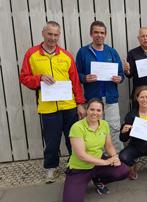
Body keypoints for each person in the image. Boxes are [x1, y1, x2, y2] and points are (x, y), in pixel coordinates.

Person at [19, 21, 86, 183]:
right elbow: (24, 78)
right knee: (51, 140)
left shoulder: (66, 55)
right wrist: (39, 78)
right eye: (50, 34)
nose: (53, 38)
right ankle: (51, 168)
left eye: (56, 35)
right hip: (48, 107)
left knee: (73, 138)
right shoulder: (32, 54)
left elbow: (75, 81)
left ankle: (75, 164)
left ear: (59, 35)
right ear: (43, 33)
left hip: (69, 105)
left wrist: (80, 103)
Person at [62, 98, 129, 202]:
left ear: (102, 112)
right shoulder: (77, 127)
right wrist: (106, 162)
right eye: (92, 109)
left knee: (123, 171)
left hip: (98, 163)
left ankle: (98, 180)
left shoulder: (104, 124)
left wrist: (115, 157)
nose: (95, 113)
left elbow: (109, 146)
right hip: (80, 168)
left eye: (98, 110)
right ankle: (82, 181)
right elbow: (81, 155)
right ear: (86, 110)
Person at [76, 21, 125, 152]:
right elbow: (76, 75)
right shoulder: (83, 52)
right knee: (95, 129)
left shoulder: (112, 52)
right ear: (91, 34)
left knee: (114, 129)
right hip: (93, 100)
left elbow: (121, 74)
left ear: (106, 34)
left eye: (102, 33)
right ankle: (99, 158)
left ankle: (117, 157)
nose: (99, 35)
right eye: (96, 32)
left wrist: (119, 78)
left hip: (111, 99)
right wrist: (84, 78)